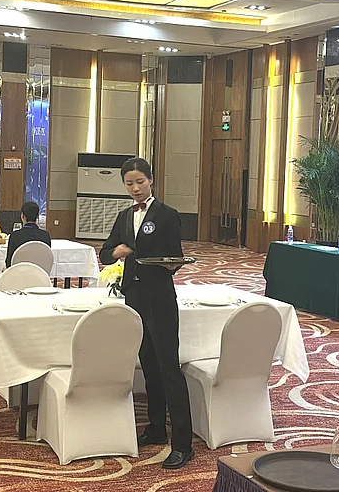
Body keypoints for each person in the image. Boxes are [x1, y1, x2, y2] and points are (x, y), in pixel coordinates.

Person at [99, 158, 194, 470]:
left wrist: (170, 264)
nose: (135, 188)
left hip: (159, 297)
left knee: (168, 368)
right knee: (148, 365)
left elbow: (175, 257)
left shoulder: (167, 214)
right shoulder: (125, 216)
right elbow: (105, 252)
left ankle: (183, 444)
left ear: (151, 180)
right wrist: (117, 252)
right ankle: (155, 428)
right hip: (134, 296)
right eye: (129, 183)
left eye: (140, 182)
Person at [5, 201, 51, 268]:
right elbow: (47, 260)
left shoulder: (15, 236)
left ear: (22, 216)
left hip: (19, 272)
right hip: (39, 273)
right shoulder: (45, 235)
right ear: (37, 216)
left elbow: (9, 263)